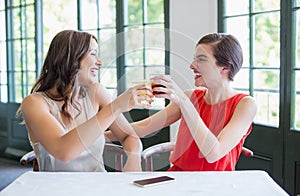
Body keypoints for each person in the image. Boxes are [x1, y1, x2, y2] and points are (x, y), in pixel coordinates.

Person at [106, 33, 257, 171]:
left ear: (224, 67)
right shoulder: (191, 97)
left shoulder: (245, 105)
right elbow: (141, 129)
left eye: (201, 59)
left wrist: (184, 102)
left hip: (215, 186)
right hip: (177, 178)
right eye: (194, 59)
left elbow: (213, 153)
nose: (192, 65)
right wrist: (95, 134)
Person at [17, 30, 153, 172]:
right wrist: (116, 106)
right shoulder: (34, 103)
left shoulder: (96, 93)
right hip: (57, 191)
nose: (99, 62)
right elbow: (63, 151)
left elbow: (128, 136)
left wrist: (133, 158)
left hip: (98, 187)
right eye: (93, 54)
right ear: (70, 57)